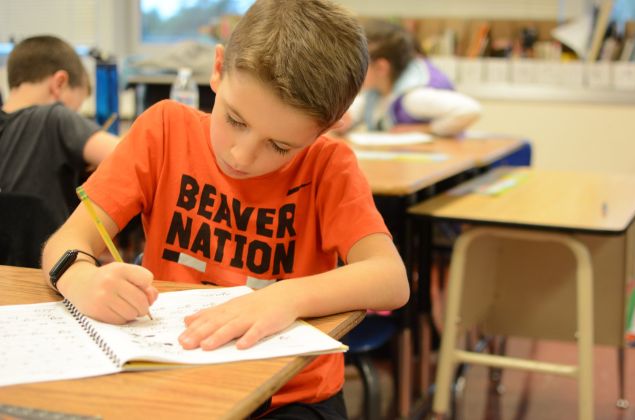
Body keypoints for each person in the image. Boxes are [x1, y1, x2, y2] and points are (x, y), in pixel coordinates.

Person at [41, 0, 409, 418]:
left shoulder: (328, 167)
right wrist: (80, 278)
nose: (242, 155)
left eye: (279, 146)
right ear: (218, 69)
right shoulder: (163, 130)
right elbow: (66, 241)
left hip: (292, 393)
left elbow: (391, 279)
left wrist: (284, 298)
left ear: (330, 125)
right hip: (173, 374)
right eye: (235, 119)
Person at [0, 35, 119, 227]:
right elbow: (133, 157)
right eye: (75, 109)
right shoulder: (55, 118)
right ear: (59, 83)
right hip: (49, 255)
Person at [340, 19, 482, 137]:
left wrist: (425, 130)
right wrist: (341, 123)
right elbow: (352, 116)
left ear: (382, 68)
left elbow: (470, 109)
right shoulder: (375, 92)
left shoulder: (413, 97)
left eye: (356, 65)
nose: (349, 72)